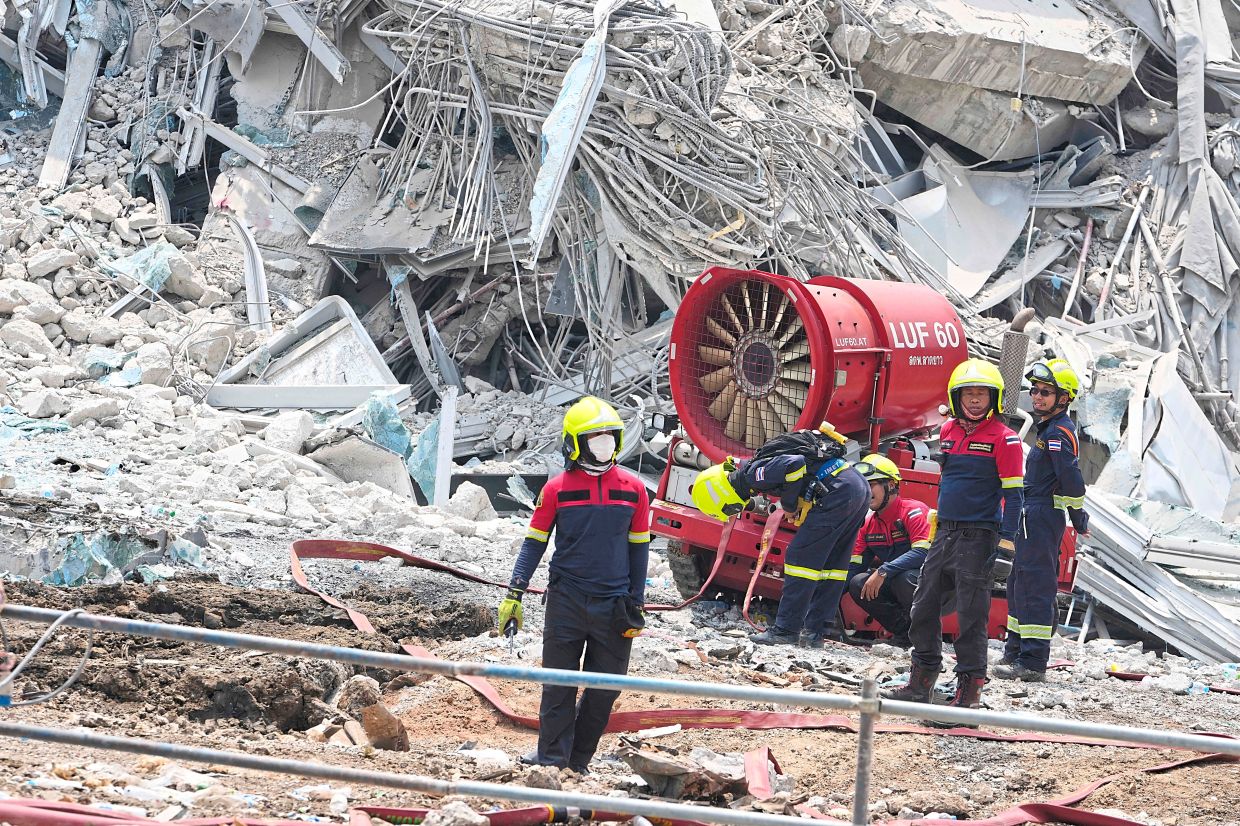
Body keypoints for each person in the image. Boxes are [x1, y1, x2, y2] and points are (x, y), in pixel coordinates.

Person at [498, 396, 650, 773]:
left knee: (604, 691)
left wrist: (637, 601)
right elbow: (534, 542)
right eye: (594, 436)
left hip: (615, 606)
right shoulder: (556, 490)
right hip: (566, 600)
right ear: (575, 443)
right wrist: (515, 592)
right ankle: (551, 761)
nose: (604, 443)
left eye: (609, 435)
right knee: (558, 686)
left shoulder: (634, 490)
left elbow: (640, 551)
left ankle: (578, 761)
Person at [883, 359, 1024, 711]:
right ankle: (921, 680)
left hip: (979, 538)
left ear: (994, 399)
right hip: (944, 533)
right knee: (923, 607)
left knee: (971, 617)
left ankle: (969, 692)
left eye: (982, 394)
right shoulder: (947, 432)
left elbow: (1014, 496)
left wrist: (1006, 545)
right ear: (956, 396)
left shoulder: (1006, 441)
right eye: (969, 394)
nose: (975, 400)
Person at [692, 429, 869, 649]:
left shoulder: (753, 472)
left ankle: (786, 630)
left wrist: (789, 505)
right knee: (833, 565)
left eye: (731, 507)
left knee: (799, 559)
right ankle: (815, 633)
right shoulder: (754, 467)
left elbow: (794, 464)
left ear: (722, 494)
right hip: (856, 486)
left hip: (837, 491)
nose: (740, 507)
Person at [993, 359, 1088, 682]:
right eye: (1034, 390)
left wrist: (1078, 514)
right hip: (1030, 514)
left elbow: (1071, 479)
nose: (1037, 397)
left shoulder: (1060, 433)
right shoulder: (1048, 429)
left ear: (1064, 398)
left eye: (1046, 392)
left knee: (1035, 585)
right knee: (1018, 583)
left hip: (1042, 515)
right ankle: (1015, 650)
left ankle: (1033, 661)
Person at [846, 453, 933, 648]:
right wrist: (821, 601)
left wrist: (883, 571)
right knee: (857, 583)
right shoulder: (869, 525)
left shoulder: (914, 511)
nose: (866, 492)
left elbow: (923, 554)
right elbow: (854, 567)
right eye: (862, 487)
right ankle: (905, 635)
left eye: (871, 485)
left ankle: (925, 638)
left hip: (936, 587)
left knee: (905, 578)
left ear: (891, 485)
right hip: (897, 581)